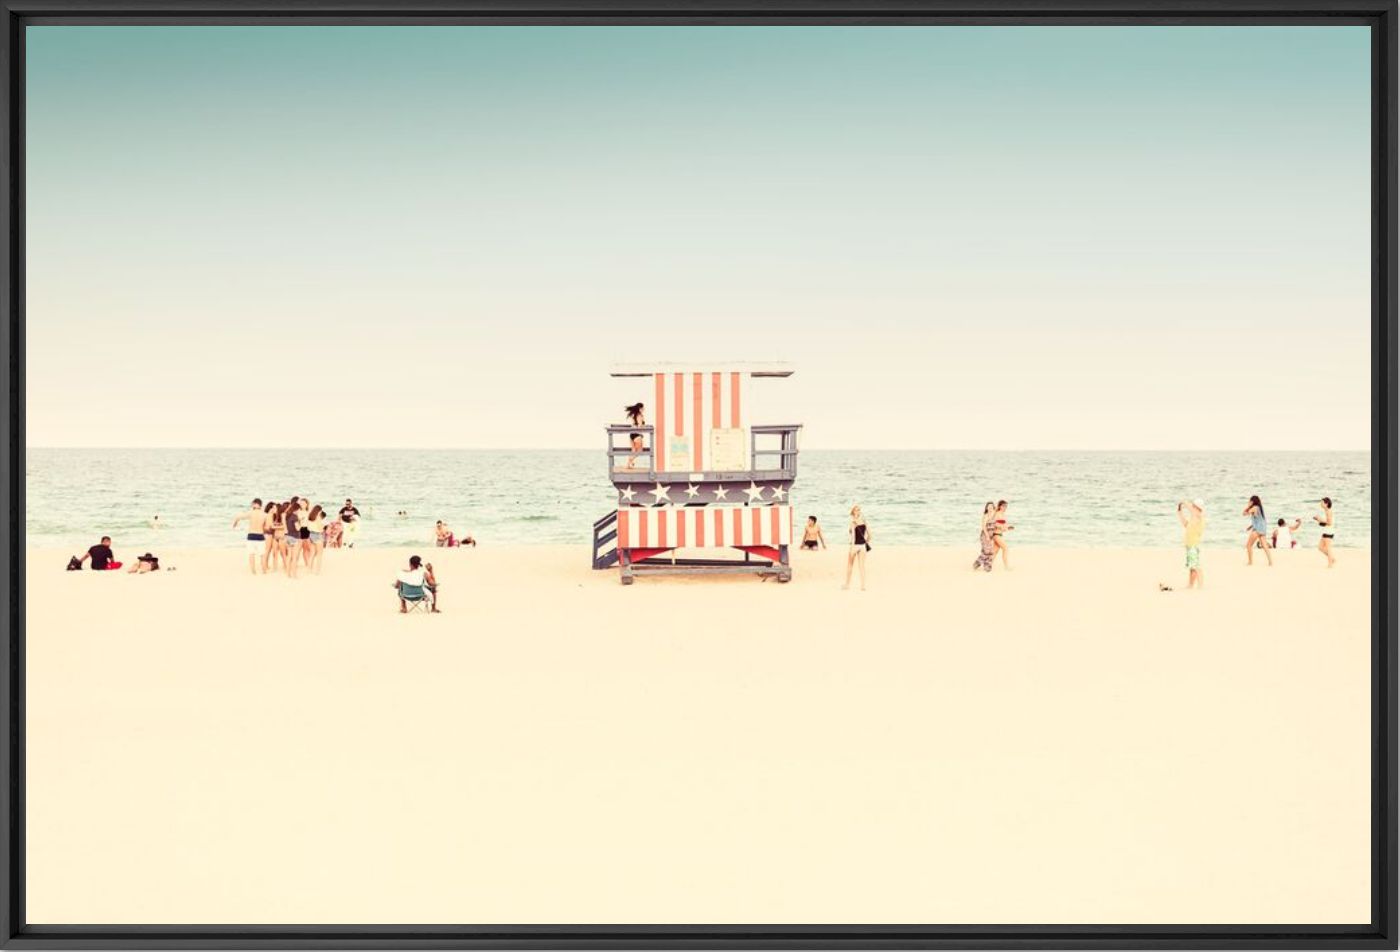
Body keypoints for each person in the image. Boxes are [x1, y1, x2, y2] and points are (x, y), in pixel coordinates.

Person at [1173, 499, 1206, 590]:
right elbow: (1186, 524)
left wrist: (1183, 501)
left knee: (1195, 566)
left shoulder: (1199, 516)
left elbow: (1192, 510)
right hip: (1189, 545)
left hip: (1193, 545)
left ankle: (1200, 586)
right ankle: (1190, 585)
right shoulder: (1194, 518)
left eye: (1194, 506)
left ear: (1197, 508)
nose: (1192, 508)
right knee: (1192, 567)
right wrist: (1180, 514)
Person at [232, 498, 269, 575]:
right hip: (260, 536)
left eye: (252, 504)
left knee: (251, 554)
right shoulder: (265, 515)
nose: (251, 505)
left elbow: (238, 517)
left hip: (251, 536)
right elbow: (267, 528)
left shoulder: (251, 513)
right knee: (262, 555)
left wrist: (235, 523)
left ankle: (253, 572)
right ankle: (264, 571)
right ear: (261, 505)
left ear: (255, 504)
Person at [843, 505, 870, 591]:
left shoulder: (853, 522)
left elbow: (853, 537)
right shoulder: (864, 521)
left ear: (853, 512)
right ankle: (863, 586)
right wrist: (866, 543)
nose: (857, 511)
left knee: (850, 566)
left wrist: (852, 548)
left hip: (855, 546)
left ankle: (847, 585)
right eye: (857, 510)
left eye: (858, 510)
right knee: (862, 566)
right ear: (854, 512)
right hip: (863, 546)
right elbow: (870, 535)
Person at [1242, 495, 1274, 566]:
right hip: (1262, 529)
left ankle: (1250, 562)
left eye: (1250, 501)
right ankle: (1270, 562)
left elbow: (1244, 513)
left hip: (1257, 529)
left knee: (1248, 545)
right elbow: (1259, 520)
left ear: (1253, 502)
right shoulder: (1259, 508)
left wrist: (1248, 506)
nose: (1249, 502)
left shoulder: (1254, 508)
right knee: (1264, 545)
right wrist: (1250, 527)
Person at [973, 502, 997, 572]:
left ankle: (987, 566)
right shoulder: (985, 516)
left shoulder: (994, 515)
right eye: (989, 507)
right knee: (986, 551)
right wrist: (987, 536)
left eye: (991, 506)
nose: (990, 508)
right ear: (986, 508)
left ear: (993, 507)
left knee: (991, 551)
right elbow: (983, 527)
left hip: (992, 535)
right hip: (985, 535)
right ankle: (976, 564)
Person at [1314, 496, 1337, 568]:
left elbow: (1329, 523)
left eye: (1322, 502)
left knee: (1328, 548)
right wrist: (1318, 520)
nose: (1320, 504)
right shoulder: (1326, 511)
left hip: (1329, 531)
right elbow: (1326, 523)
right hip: (1326, 530)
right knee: (1320, 547)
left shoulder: (1328, 511)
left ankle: (1330, 563)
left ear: (1326, 504)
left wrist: (1320, 519)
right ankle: (1332, 559)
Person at [992, 500, 1014, 570]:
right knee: (1005, 548)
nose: (1005, 508)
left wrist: (1008, 528)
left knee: (995, 551)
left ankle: (988, 565)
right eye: (1004, 506)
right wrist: (1001, 526)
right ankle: (1006, 567)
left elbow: (1003, 525)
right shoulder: (997, 513)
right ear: (1000, 506)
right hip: (996, 534)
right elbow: (994, 523)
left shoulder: (1003, 514)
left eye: (1006, 506)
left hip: (1000, 534)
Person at [623, 403, 646, 469]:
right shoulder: (640, 415)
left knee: (633, 450)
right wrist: (642, 426)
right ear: (640, 408)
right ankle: (628, 463)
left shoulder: (633, 415)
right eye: (643, 408)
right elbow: (639, 425)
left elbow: (633, 424)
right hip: (637, 434)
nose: (644, 409)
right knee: (640, 451)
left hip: (632, 434)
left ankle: (629, 464)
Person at [305, 505, 327, 574]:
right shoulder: (318, 517)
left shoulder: (310, 517)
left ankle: (309, 570)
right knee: (319, 555)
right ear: (319, 511)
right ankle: (317, 571)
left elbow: (308, 528)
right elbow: (320, 529)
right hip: (318, 535)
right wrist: (323, 526)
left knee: (312, 554)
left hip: (311, 535)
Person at [283, 499, 302, 579]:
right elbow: (297, 528)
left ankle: (288, 574)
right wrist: (300, 523)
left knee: (289, 556)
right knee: (294, 558)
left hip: (287, 537)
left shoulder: (287, 515)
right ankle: (294, 574)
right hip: (294, 538)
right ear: (296, 509)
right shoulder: (295, 516)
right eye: (299, 510)